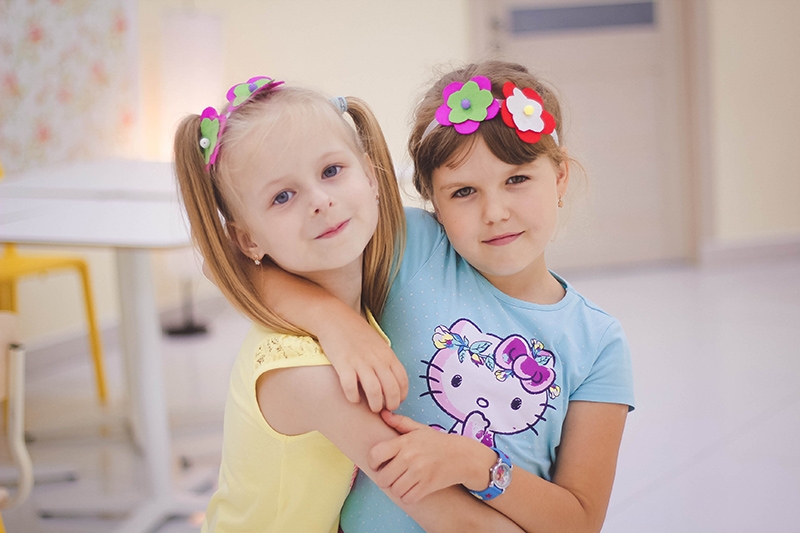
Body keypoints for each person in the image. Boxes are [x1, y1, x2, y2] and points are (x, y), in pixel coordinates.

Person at [253, 61, 636, 533]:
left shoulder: (598, 342)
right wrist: (335, 322)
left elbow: (579, 521)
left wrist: (477, 465)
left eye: (517, 179)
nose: (495, 212)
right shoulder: (411, 244)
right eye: (464, 191)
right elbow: (249, 270)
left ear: (559, 177)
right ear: (433, 200)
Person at [173, 75, 525, 532]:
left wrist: (333, 319)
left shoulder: (365, 296)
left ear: (371, 175)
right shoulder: (307, 375)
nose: (320, 201)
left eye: (331, 171)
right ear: (248, 240)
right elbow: (458, 522)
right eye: (282, 196)